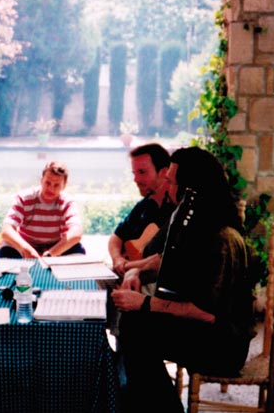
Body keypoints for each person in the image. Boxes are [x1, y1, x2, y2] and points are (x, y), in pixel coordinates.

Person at [111, 146, 256, 413]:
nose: (165, 184)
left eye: (171, 180)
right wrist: (136, 272)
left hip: (222, 345)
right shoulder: (194, 219)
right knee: (131, 322)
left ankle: (147, 404)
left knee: (136, 327)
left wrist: (144, 303)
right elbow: (165, 260)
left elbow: (208, 313)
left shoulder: (223, 238)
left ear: (191, 187)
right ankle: (136, 400)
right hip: (201, 329)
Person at [108, 143, 174, 278]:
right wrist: (117, 259)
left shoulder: (177, 211)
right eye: (134, 173)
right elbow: (116, 237)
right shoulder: (145, 205)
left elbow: (162, 260)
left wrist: (126, 265)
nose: (136, 180)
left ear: (163, 173)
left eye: (142, 172)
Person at [0, 160, 85, 258]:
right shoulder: (24, 198)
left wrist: (51, 253)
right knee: (5, 250)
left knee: (78, 250)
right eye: (48, 183)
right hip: (26, 245)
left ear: (64, 185)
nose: (51, 188)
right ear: (41, 180)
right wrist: (25, 248)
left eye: (57, 185)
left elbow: (76, 232)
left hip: (56, 247)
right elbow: (6, 229)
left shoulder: (67, 202)